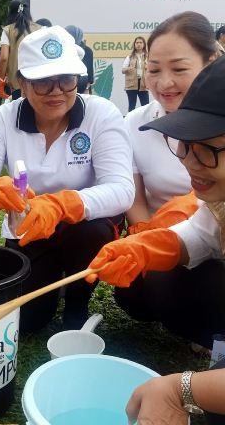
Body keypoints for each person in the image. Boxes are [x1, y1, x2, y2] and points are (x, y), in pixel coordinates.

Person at [0, 26, 134, 333]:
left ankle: (78, 304)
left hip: (81, 227)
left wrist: (61, 205)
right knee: (27, 321)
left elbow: (122, 189)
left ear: (79, 78)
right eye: (42, 82)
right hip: (27, 229)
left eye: (66, 79)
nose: (56, 91)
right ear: (22, 83)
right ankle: (50, 280)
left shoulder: (100, 113)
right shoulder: (3, 118)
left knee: (92, 232)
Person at [87, 54, 225, 424]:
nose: (189, 163)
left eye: (208, 151)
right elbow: (201, 232)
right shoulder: (219, 202)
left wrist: (180, 390)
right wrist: (144, 247)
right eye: (184, 145)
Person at [125, 12, 216, 237]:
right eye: (154, 70)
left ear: (210, 63)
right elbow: (135, 202)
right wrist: (150, 241)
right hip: (157, 238)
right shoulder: (135, 123)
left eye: (179, 69)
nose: (165, 83)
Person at [0, 0, 41, 100]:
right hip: (38, 81)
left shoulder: (7, 30)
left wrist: (1, 78)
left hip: (17, 82)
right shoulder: (41, 29)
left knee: (20, 111)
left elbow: (4, 58)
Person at [122, 36, 150, 112]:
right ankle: (129, 123)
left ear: (144, 44)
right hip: (131, 85)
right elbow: (123, 70)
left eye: (141, 42)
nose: (138, 44)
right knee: (131, 106)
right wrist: (129, 68)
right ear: (134, 44)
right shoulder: (129, 57)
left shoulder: (148, 57)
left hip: (143, 84)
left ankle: (146, 123)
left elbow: (152, 70)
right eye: (137, 42)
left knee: (146, 107)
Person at [65, 25, 94, 94]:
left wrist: (87, 87)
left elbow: (89, 71)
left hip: (79, 85)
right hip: (69, 86)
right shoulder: (62, 48)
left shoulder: (87, 50)